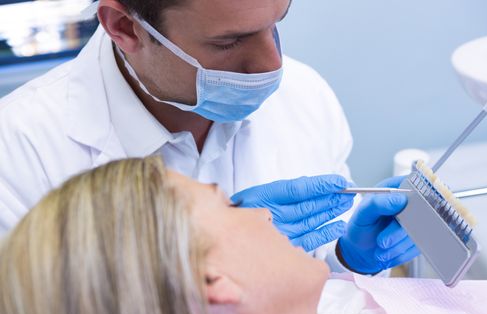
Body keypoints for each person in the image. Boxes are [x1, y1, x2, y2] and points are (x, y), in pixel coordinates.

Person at [0, 0, 418, 274]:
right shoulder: (20, 150)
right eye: (230, 41)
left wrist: (349, 260)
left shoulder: (305, 96)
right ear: (125, 27)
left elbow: (321, 291)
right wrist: (184, 277)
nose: (272, 65)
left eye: (275, 25)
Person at [1, 157, 487, 314]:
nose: (266, 212)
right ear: (212, 282)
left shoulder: (318, 310)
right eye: (228, 205)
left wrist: (352, 261)